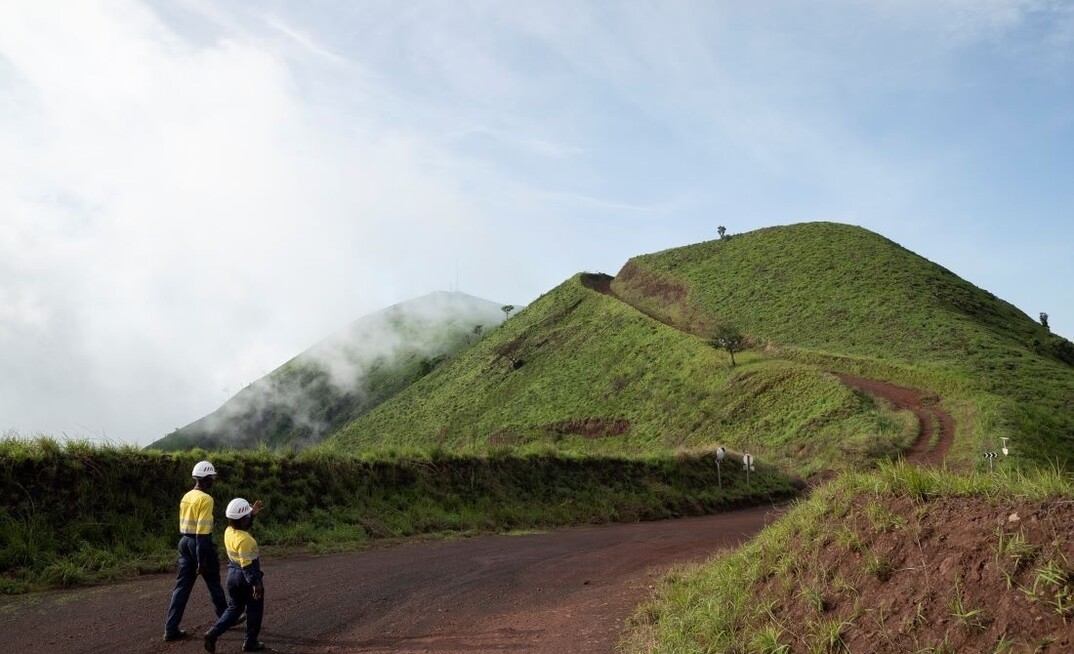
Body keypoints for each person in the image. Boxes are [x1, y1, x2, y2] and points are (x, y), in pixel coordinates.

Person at [204, 498, 266, 653]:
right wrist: (256, 584)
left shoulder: (229, 531)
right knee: (254, 610)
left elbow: (242, 524)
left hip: (232, 577)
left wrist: (251, 514)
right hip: (246, 578)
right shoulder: (246, 540)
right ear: (244, 519)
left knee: (234, 608)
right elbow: (247, 566)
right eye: (247, 517)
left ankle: (213, 632)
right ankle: (250, 642)